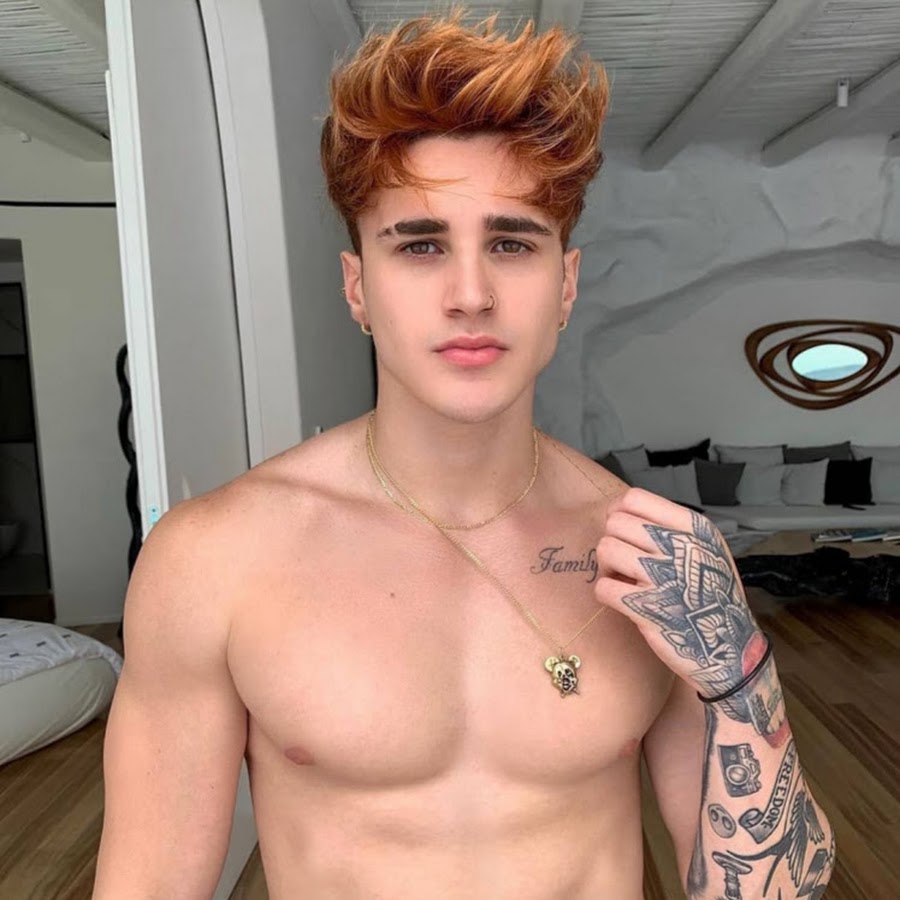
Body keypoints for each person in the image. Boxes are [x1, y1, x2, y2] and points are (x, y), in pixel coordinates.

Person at [93, 10, 834, 900]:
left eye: (511, 243)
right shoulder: (214, 559)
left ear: (565, 285)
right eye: (421, 246)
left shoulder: (657, 560)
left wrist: (741, 675)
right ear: (358, 288)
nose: (471, 294)